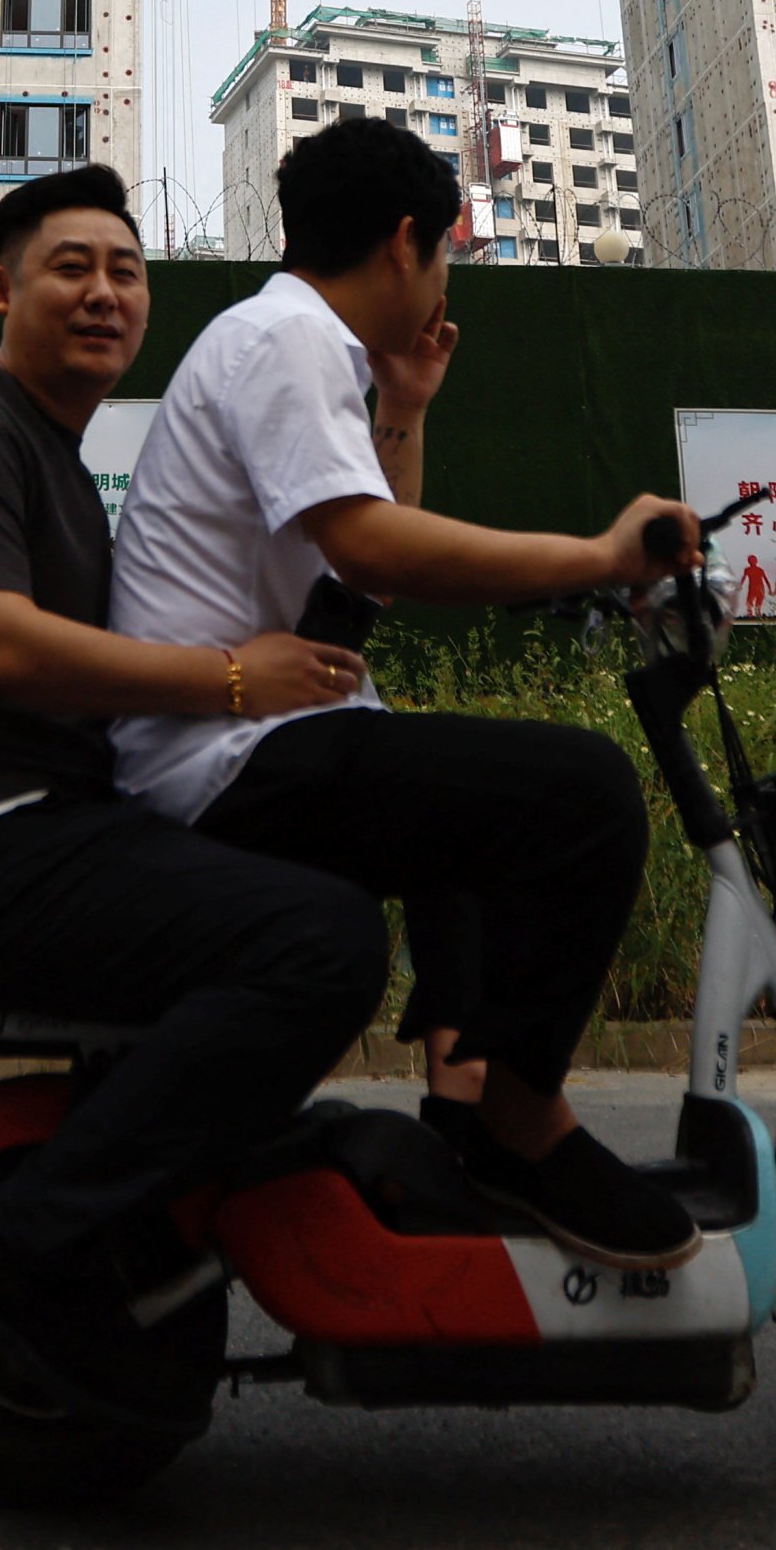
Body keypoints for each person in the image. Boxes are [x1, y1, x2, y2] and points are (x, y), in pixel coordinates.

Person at [0, 163, 377, 1426]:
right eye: (70, 266)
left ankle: (192, 1186)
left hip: (31, 829)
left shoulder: (62, 464)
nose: (104, 293)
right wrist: (234, 680)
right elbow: (0, 651)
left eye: (126, 272)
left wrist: (396, 411)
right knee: (319, 942)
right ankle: (25, 1249)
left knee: (316, 892)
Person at [109, 115, 706, 1268]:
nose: (439, 284)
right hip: (222, 754)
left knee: (461, 799)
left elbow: (352, 591)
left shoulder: (301, 346)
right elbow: (379, 549)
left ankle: (460, 1108)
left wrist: (409, 406)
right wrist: (601, 554)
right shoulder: (283, 339)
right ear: (402, 243)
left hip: (262, 735)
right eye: (442, 256)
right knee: (581, 794)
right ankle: (519, 1123)